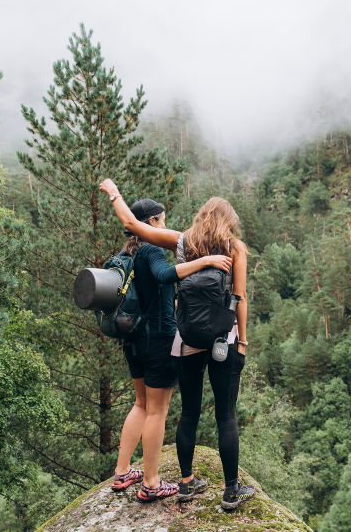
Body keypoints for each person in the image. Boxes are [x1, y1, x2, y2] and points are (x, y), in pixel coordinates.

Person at [100, 179, 255, 510]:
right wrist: (242, 340)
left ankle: (185, 484)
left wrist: (114, 193)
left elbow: (130, 224)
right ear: (228, 222)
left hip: (185, 340)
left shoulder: (182, 242)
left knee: (188, 413)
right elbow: (239, 299)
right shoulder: (235, 248)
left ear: (201, 217)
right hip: (223, 340)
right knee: (226, 415)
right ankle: (231, 492)